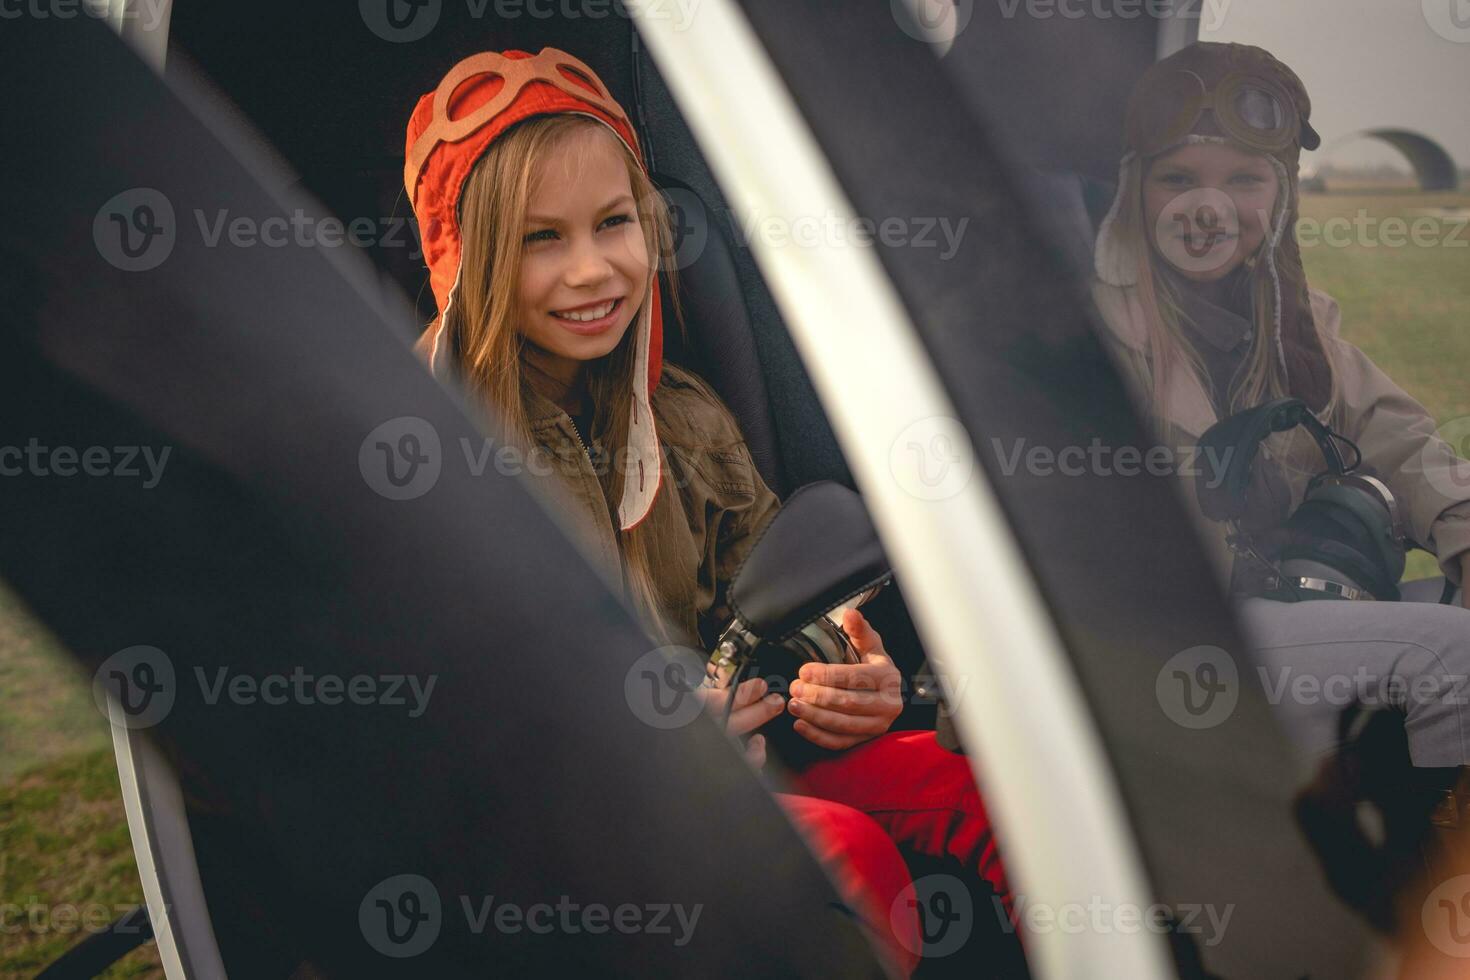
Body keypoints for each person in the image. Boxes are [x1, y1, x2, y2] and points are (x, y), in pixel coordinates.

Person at [402, 47, 1012, 975]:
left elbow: (775, 588)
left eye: (614, 224)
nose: (592, 269)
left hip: (747, 752)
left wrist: (845, 669)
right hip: (576, 819)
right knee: (841, 859)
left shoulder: (684, 418)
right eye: (540, 239)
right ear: (468, 259)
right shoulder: (426, 452)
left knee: (990, 798)